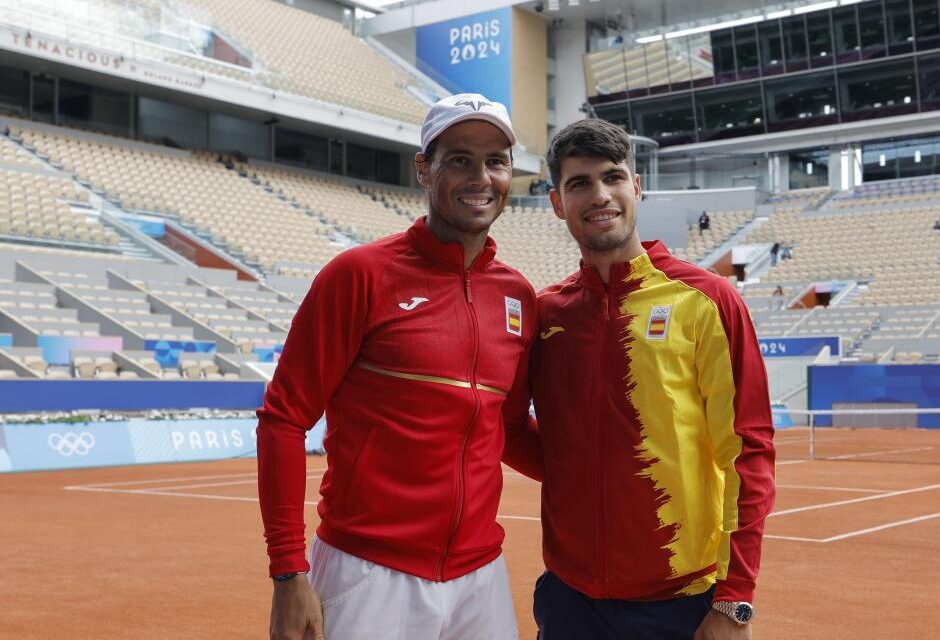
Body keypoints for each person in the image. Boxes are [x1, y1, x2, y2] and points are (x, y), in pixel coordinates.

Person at [256, 93, 541, 640]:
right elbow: (284, 419)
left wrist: (604, 470)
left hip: (481, 577)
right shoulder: (358, 275)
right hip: (368, 573)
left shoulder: (518, 296)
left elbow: (505, 430)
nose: (480, 176)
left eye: (495, 161)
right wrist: (289, 571)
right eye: (459, 158)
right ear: (423, 169)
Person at [526, 118, 776, 639]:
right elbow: (506, 427)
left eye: (613, 177)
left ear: (636, 187)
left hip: (680, 602)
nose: (600, 195)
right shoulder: (548, 312)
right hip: (570, 599)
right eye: (579, 183)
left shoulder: (706, 300)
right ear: (556, 202)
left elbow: (748, 451)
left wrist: (735, 601)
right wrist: (576, 473)